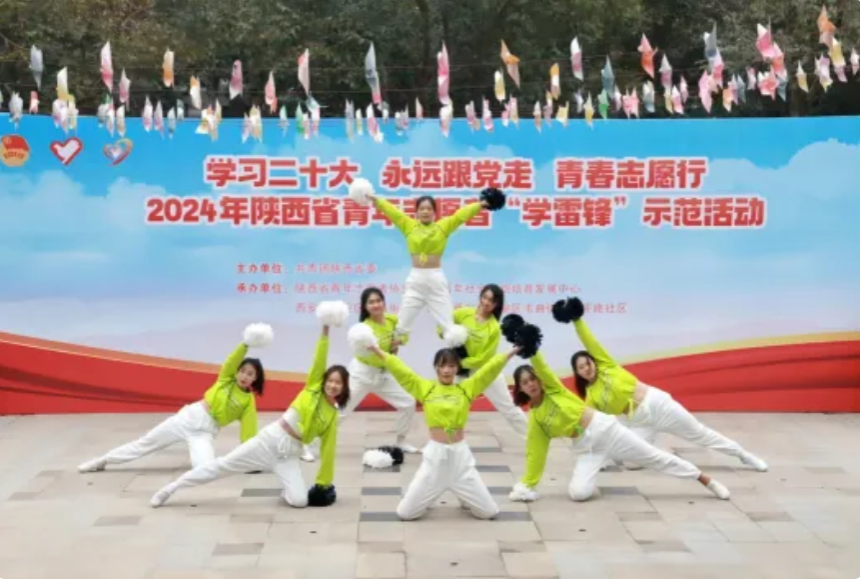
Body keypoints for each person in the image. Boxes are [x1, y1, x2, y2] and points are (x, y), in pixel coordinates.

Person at [504, 323, 732, 503]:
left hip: (607, 431)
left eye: (532, 379)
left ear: (540, 381)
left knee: (655, 458)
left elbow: (542, 365)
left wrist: (529, 347)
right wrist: (527, 484)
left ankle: (706, 480)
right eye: (524, 382)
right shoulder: (536, 419)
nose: (530, 384)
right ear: (520, 389)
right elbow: (535, 453)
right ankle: (595, 470)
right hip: (586, 449)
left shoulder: (554, 389)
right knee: (578, 494)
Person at [551, 296, 768, 474]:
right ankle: (654, 445)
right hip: (639, 421)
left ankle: (744, 455)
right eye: (580, 368)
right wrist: (577, 436)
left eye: (587, 363)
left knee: (701, 434)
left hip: (658, 405)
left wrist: (576, 320)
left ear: (593, 361)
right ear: (577, 373)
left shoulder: (606, 365)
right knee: (632, 462)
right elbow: (588, 421)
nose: (586, 368)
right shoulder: (591, 395)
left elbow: (589, 341)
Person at [150, 322, 349, 508]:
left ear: (344, 388)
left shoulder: (332, 415)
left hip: (289, 454)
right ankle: (171, 488)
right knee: (222, 466)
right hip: (270, 439)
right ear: (323, 381)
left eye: (338, 383)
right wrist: (325, 331)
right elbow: (320, 358)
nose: (333, 385)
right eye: (330, 380)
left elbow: (328, 449)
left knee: (300, 501)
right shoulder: (312, 388)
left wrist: (324, 482)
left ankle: (287, 489)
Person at [77, 323, 273, 473]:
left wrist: (252, 460)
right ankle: (102, 461)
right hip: (187, 418)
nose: (245, 376)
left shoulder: (248, 402)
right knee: (145, 443)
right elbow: (231, 360)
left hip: (204, 432)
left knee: (204, 470)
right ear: (237, 371)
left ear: (255, 379)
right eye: (243, 371)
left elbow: (249, 433)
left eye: (250, 374)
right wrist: (246, 344)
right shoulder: (225, 379)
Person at [363, 341, 521, 520]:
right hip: (435, 460)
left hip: (460, 459)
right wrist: (377, 350)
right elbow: (400, 370)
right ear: (436, 367)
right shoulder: (426, 388)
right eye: (442, 366)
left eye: (451, 366)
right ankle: (431, 492)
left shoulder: (466, 388)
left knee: (489, 512)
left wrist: (512, 351)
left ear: (457, 368)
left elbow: (490, 370)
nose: (446, 370)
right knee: (405, 513)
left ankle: (462, 492)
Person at [349, 178, 506, 347]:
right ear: (416, 212)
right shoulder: (408, 225)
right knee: (402, 324)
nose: (425, 211)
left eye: (429, 209)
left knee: (449, 325)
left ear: (434, 212)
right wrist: (374, 198)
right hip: (416, 279)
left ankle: (460, 354)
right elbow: (392, 211)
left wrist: (481, 204)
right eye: (421, 208)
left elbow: (461, 215)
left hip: (435, 279)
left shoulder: (443, 227)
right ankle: (390, 351)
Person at [302, 287, 420, 461]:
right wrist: (387, 350)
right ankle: (307, 443)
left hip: (383, 375)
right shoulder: (363, 329)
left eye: (378, 300)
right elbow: (370, 354)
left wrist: (399, 341)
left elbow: (404, 335)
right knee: (340, 412)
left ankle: (401, 441)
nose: (376, 305)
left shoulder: (392, 320)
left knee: (408, 403)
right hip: (362, 374)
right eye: (371, 302)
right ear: (365, 307)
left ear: (384, 302)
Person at [440, 284, 528, 437]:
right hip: (461, 372)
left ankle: (532, 438)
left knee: (508, 408)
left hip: (487, 371)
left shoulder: (494, 327)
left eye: (491, 300)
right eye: (485, 297)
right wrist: (447, 334)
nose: (486, 302)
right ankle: (446, 440)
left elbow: (484, 358)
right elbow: (443, 326)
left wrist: (461, 364)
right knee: (453, 406)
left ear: (497, 305)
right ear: (480, 296)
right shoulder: (463, 313)